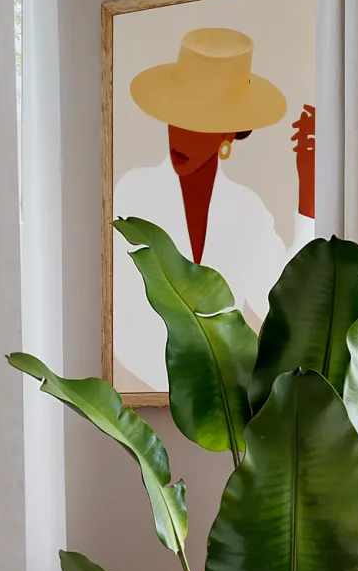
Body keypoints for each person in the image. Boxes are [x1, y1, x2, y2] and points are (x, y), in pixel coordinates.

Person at [113, 26, 310, 394]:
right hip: (140, 383)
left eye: (200, 123)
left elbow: (285, 306)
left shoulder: (247, 210)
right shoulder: (131, 194)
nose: (181, 136)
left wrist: (309, 197)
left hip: (222, 398)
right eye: (177, 117)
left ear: (229, 133)